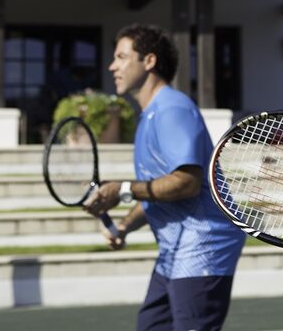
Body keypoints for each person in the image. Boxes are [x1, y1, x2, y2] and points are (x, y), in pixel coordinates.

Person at [84, 23, 245, 331]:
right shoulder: (151, 116)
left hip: (203, 246)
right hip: (175, 250)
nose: (112, 66)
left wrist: (123, 188)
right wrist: (123, 227)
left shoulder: (172, 109)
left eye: (121, 56)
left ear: (149, 61)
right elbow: (158, 192)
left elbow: (186, 182)